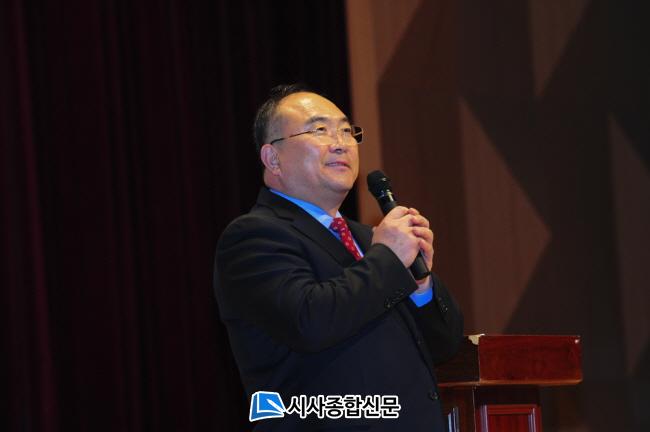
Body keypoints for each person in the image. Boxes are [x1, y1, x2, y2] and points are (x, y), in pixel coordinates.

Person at [214, 84, 463, 431]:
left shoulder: (368, 240)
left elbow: (444, 347)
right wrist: (388, 259)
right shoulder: (253, 236)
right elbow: (309, 321)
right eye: (320, 130)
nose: (340, 142)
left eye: (347, 131)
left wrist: (420, 283)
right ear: (273, 158)